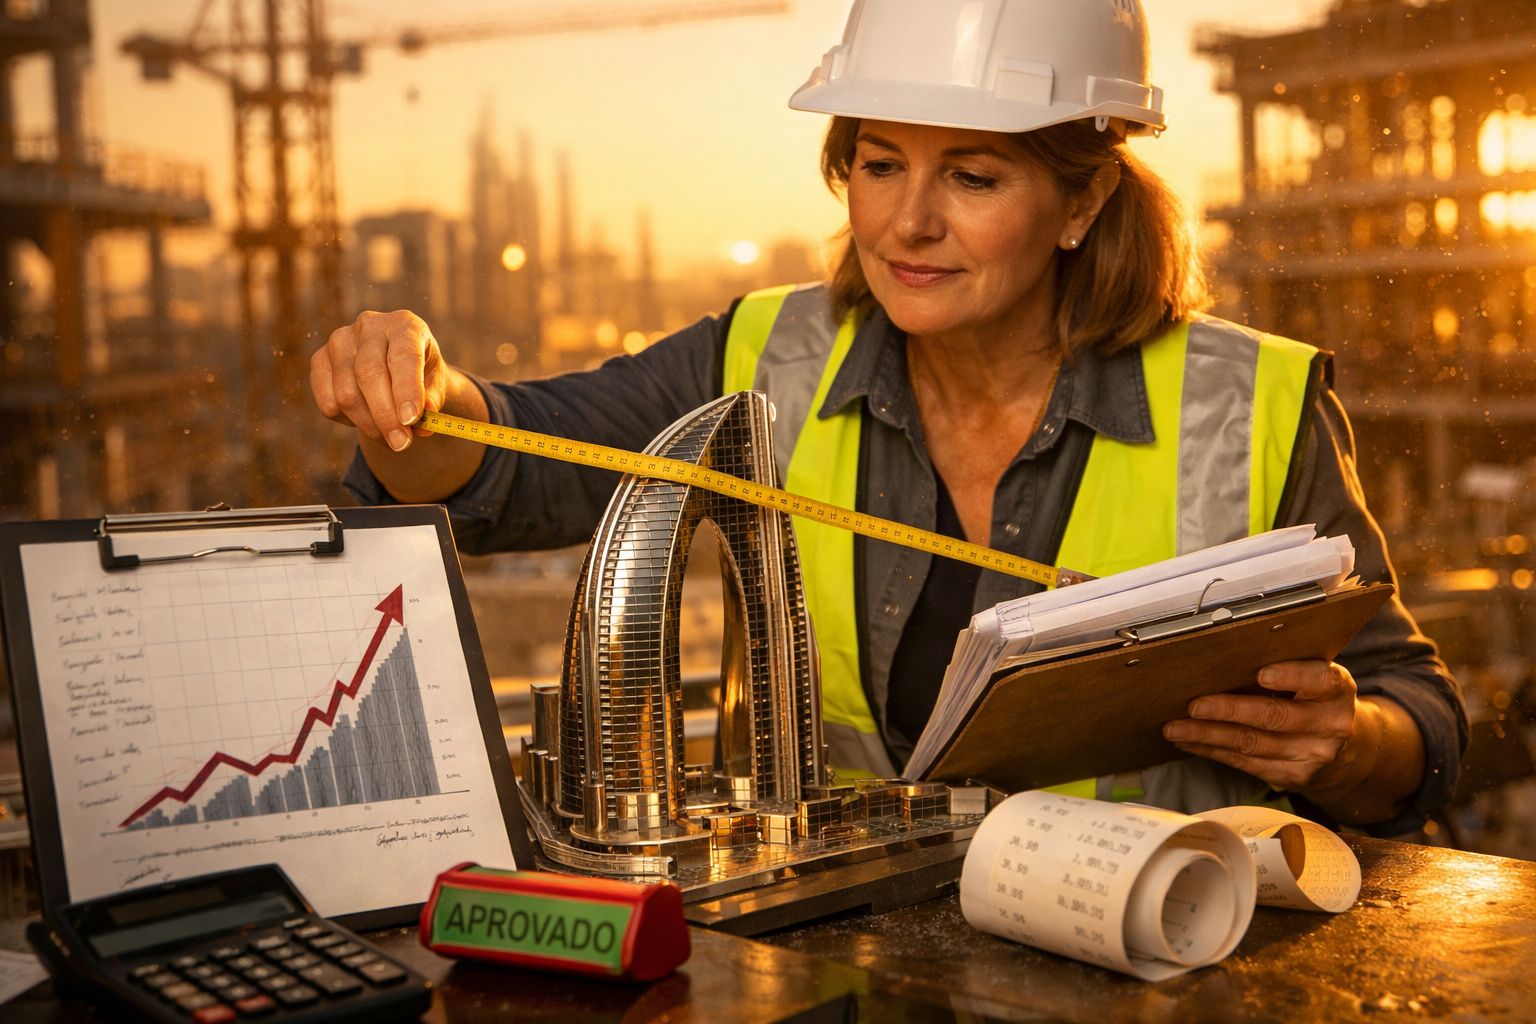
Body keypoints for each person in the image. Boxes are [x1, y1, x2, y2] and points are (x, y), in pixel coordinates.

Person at [310, 0, 1465, 832]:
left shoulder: (1245, 403)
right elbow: (515, 466)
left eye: (972, 176)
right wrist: (415, 393)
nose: (907, 222)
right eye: (877, 163)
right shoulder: (764, 357)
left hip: (1162, 971)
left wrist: (1349, 741)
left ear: (1083, 201)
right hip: (859, 954)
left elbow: (1417, 713)